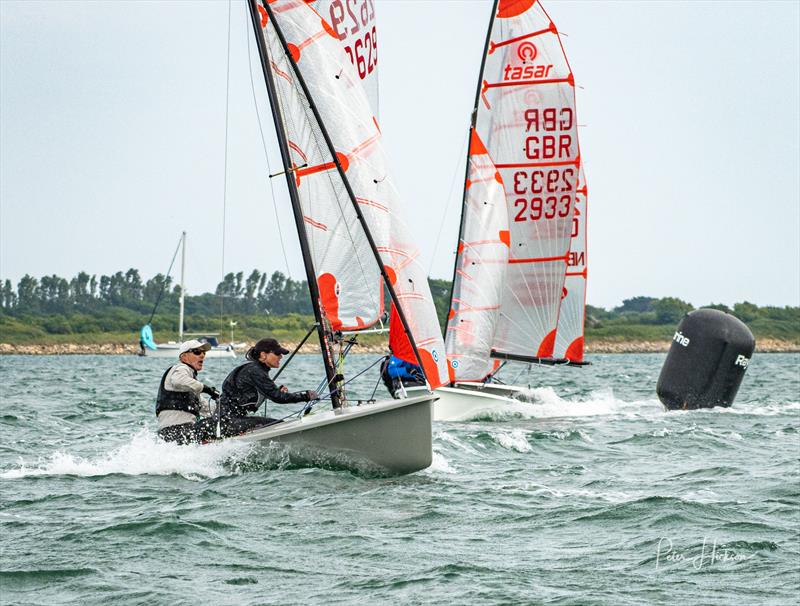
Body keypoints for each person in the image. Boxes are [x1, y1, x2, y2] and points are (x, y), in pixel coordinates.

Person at [219, 337, 318, 433]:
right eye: (277, 353)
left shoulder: (255, 368)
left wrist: (277, 392)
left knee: (278, 425)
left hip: (231, 419)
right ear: (263, 355)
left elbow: (263, 393)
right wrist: (306, 396)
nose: (280, 356)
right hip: (228, 421)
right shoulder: (254, 370)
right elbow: (277, 397)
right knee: (280, 426)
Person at [155, 339, 220, 444]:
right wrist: (206, 389)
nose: (202, 355)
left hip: (172, 435)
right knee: (221, 426)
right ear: (184, 357)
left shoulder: (190, 387)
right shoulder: (181, 368)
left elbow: (207, 409)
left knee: (217, 422)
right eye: (197, 352)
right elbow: (178, 380)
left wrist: (224, 406)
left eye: (204, 353)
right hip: (178, 431)